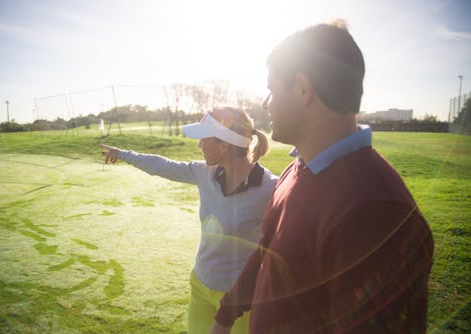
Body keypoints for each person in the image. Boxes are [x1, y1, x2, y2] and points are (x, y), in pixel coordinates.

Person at [210, 20, 434, 333]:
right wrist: (225, 315)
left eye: (272, 89)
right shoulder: (299, 167)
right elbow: (267, 252)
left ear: (303, 88)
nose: (265, 103)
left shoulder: (375, 211)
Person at [101, 106, 278, 334]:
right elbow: (162, 166)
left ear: (224, 145)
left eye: (203, 139)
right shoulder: (204, 172)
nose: (199, 144)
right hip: (201, 285)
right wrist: (122, 153)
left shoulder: (270, 188)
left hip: (242, 301)